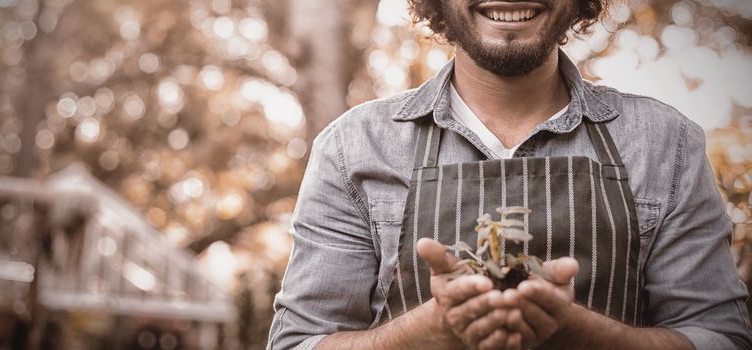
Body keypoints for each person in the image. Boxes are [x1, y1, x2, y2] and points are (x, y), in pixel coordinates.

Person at [267, 0, 752, 349]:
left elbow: (720, 336)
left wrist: (585, 336)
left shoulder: (668, 143)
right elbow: (298, 343)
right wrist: (428, 332)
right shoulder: (353, 147)